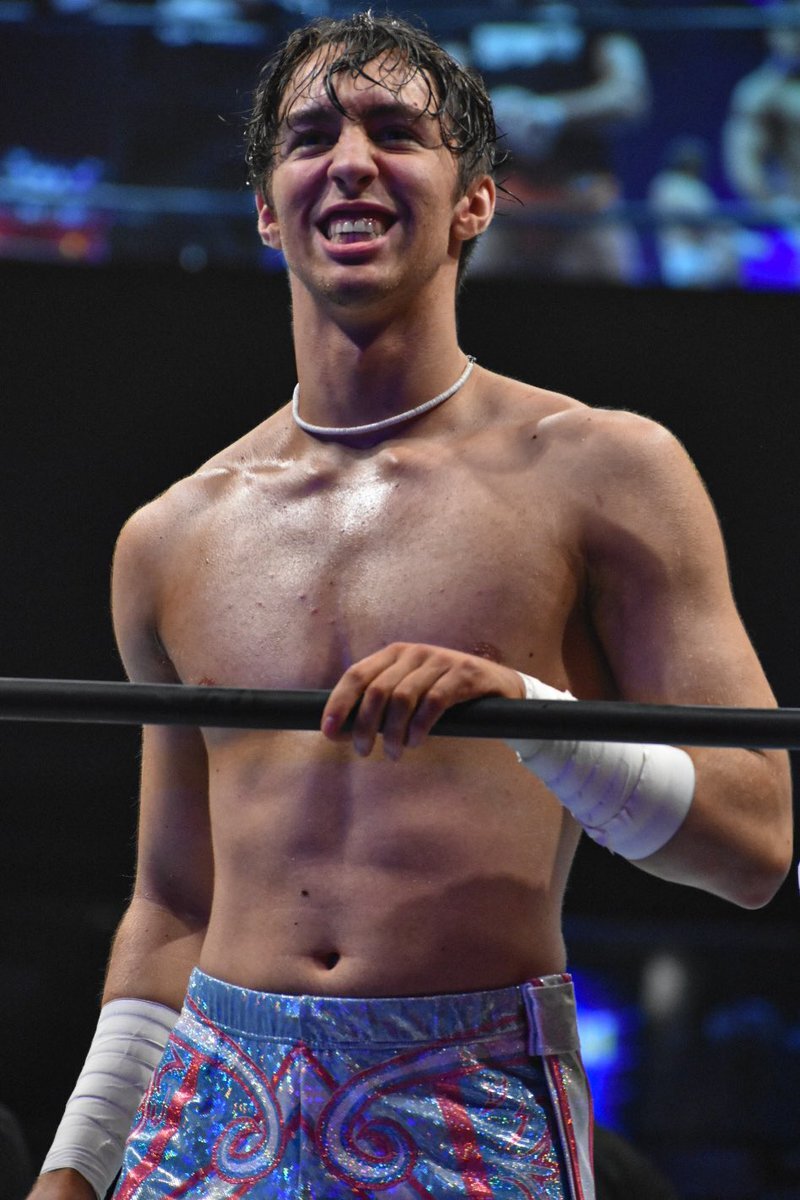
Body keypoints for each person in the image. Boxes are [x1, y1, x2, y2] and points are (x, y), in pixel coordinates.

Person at [28, 11, 792, 1200]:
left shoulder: (601, 471)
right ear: (267, 210)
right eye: (309, 137)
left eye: (393, 132)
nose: (349, 160)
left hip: (467, 1109)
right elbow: (172, 904)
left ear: (473, 201)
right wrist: (74, 1170)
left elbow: (756, 843)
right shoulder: (170, 536)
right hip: (208, 1118)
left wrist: (529, 712)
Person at [465, 0, 650, 281]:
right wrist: (492, 110)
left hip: (581, 193)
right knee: (466, 288)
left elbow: (630, 93)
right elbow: (439, 95)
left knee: (613, 292)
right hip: (496, 194)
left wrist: (554, 112)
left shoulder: (592, 13)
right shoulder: (472, 14)